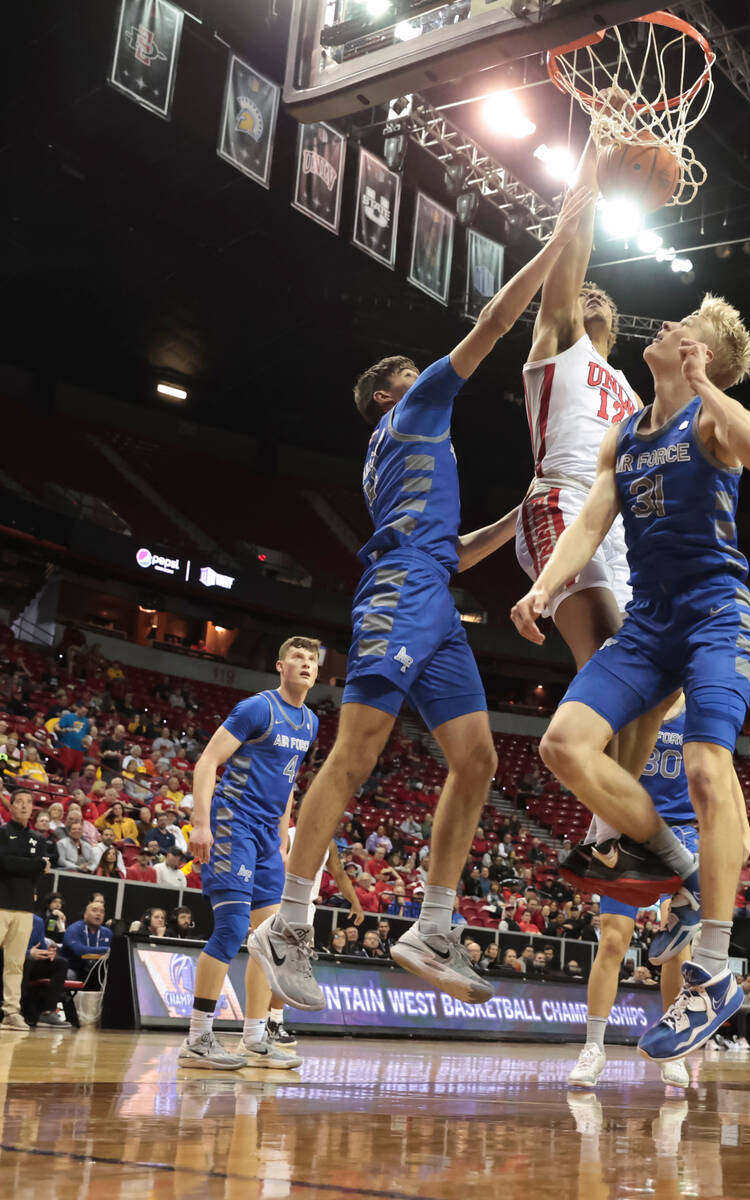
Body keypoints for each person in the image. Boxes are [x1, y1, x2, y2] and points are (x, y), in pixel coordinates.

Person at [249, 188, 596, 1011]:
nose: (425, 370)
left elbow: (460, 550)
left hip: (431, 590)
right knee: (356, 752)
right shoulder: (409, 410)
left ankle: (433, 926)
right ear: (386, 395)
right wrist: (553, 250)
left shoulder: (408, 457)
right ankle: (290, 921)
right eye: (410, 370)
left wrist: (531, 505)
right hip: (401, 590)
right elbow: (490, 330)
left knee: (476, 759)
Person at [512, 297, 750, 1062]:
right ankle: (682, 870)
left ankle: (716, 968)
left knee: (701, 764)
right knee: (563, 746)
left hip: (715, 615)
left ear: (703, 356)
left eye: (683, 327)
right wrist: (544, 588)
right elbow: (591, 523)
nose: (663, 327)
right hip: (653, 622)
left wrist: (709, 387)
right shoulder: (625, 435)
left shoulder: (712, 422)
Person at [567, 696, 749, 1088]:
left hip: (680, 832)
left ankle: (675, 1048)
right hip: (629, 826)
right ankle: (593, 1047)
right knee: (613, 940)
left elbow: (725, 770)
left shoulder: (699, 706)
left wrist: (744, 828)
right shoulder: (634, 700)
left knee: (675, 946)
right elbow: (595, 762)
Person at [514, 131, 639, 687]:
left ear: (615, 320)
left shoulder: (635, 395)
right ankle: (572, 756)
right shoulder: (563, 341)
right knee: (611, 657)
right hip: (562, 501)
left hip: (618, 527)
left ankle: (609, 769)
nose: (588, 294)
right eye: (581, 292)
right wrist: (596, 147)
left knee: (640, 680)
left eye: (599, 295)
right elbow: (574, 246)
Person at [179, 636, 322, 1071]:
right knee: (232, 929)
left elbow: (288, 780)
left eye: (312, 659)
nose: (305, 664)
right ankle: (198, 1039)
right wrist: (201, 824)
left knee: (268, 941)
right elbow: (207, 763)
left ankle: (255, 1040)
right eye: (297, 657)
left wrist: (282, 833)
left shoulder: (311, 722)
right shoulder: (257, 708)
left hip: (265, 835)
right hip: (232, 823)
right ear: (280, 666)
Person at [0, 790, 53, 1030]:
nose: (23, 806)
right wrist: (37, 864)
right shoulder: (2, 832)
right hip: (1, 904)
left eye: (28, 803)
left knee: (16, 964)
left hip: (24, 909)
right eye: (19, 802)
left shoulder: (38, 840)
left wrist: (31, 866)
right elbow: (4, 863)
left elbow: (30, 870)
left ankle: (11, 1013)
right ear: (10, 807)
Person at [22, 913, 70, 1028]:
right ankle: (17, 1010)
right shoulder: (6, 916)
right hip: (10, 960)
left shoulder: (38, 921)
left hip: (32, 962)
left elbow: (41, 946)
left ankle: (48, 1012)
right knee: (28, 960)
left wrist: (48, 954)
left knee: (61, 963)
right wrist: (28, 953)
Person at [62, 896, 112, 980]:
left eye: (102, 912)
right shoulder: (74, 929)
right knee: (69, 975)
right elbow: (80, 950)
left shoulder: (107, 932)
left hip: (99, 970)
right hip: (75, 969)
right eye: (94, 910)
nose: (98, 914)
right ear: (85, 914)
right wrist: (108, 949)